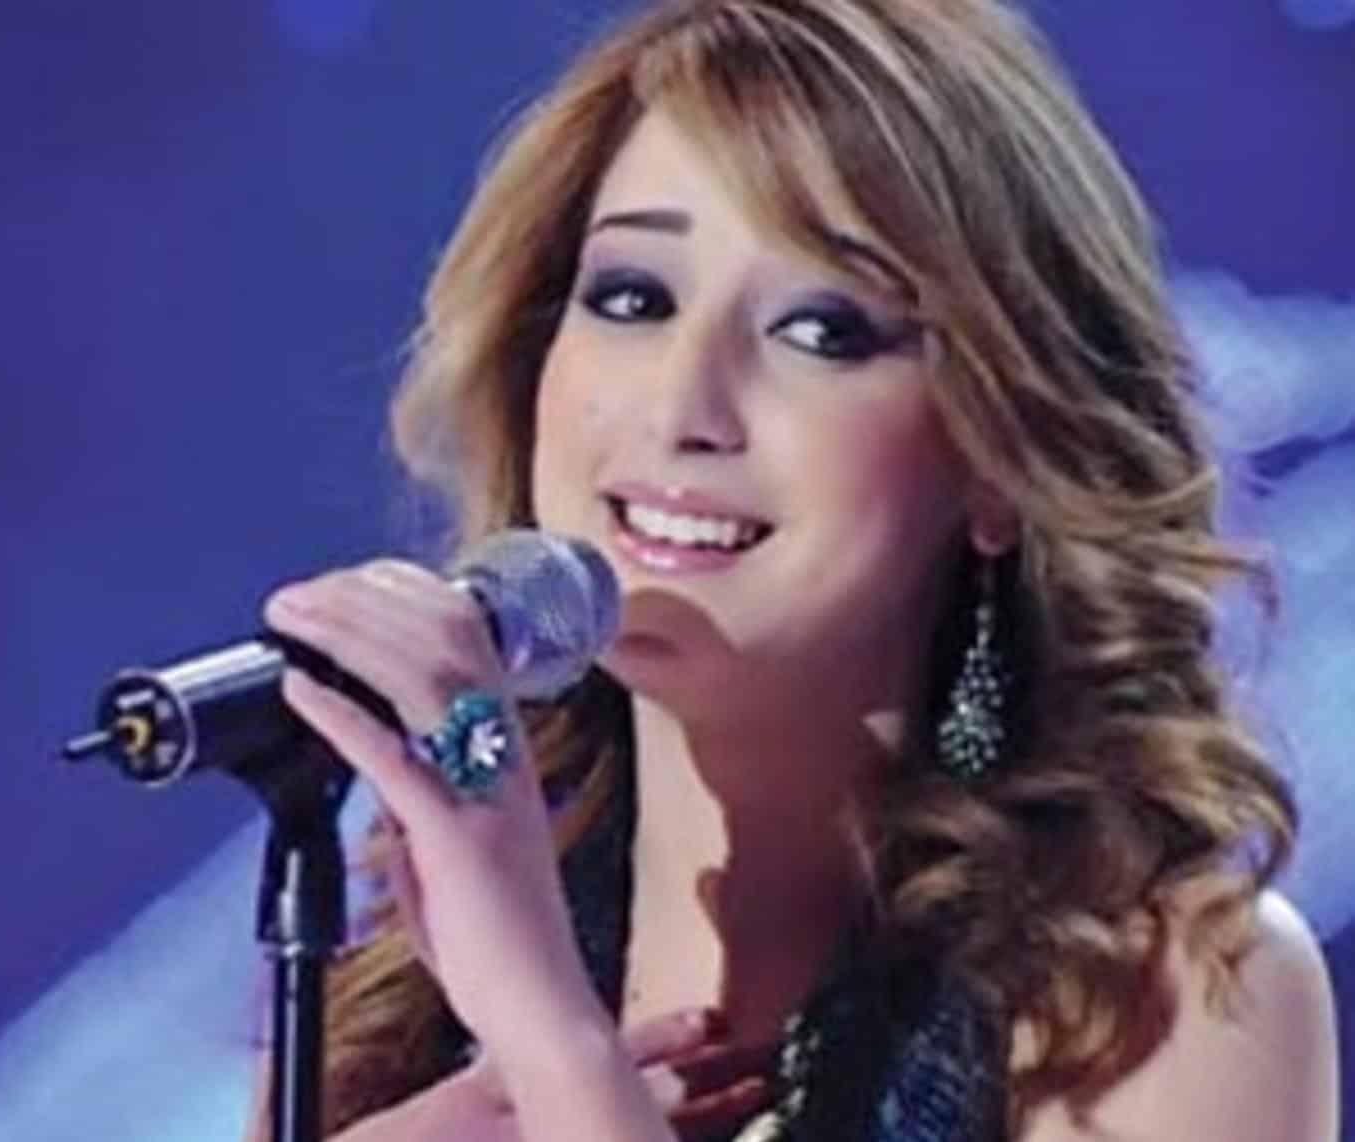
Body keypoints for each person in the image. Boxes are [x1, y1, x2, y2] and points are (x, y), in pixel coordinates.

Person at [247, 0, 1340, 1138]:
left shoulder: (1173, 1001)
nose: (681, 406)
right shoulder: (385, 1003)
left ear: (999, 462)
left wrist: (556, 1045)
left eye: (822, 330)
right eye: (632, 298)